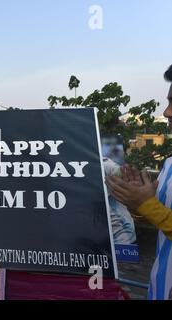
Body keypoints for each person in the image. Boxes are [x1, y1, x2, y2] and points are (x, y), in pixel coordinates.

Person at [106, 64, 172, 300]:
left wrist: (147, 206)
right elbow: (159, 217)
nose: (166, 113)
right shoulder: (169, 165)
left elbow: (156, 212)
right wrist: (137, 202)